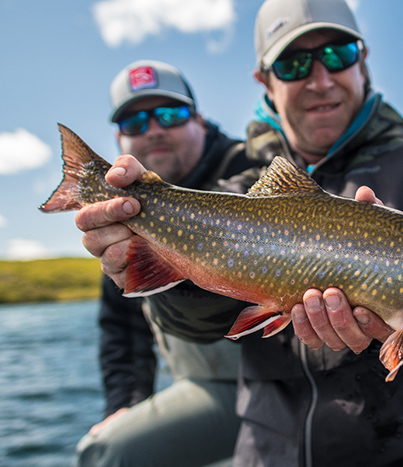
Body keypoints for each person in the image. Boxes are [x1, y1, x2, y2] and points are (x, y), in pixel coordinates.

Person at [75, 0, 403, 465]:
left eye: (337, 54)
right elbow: (189, 325)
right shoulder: (237, 191)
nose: (320, 79)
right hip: (271, 450)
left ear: (363, 61)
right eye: (294, 63)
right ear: (265, 81)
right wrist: (142, 255)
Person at [75, 60, 250, 467]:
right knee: (103, 448)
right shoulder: (127, 213)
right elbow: (121, 327)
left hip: (270, 379)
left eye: (170, 115)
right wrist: (125, 404)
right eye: (135, 122)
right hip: (198, 386)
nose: (153, 129)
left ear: (200, 121)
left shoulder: (248, 171)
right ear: (120, 138)